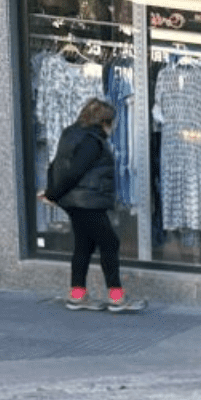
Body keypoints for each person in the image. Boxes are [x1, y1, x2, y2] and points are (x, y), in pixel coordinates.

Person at [41, 97, 146, 312]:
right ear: (103, 122)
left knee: (84, 245)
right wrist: (52, 194)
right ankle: (116, 297)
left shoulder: (70, 133)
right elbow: (75, 171)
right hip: (87, 201)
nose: (113, 127)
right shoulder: (92, 140)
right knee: (110, 243)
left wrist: (53, 193)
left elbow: (55, 165)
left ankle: (77, 294)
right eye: (111, 123)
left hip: (74, 201)